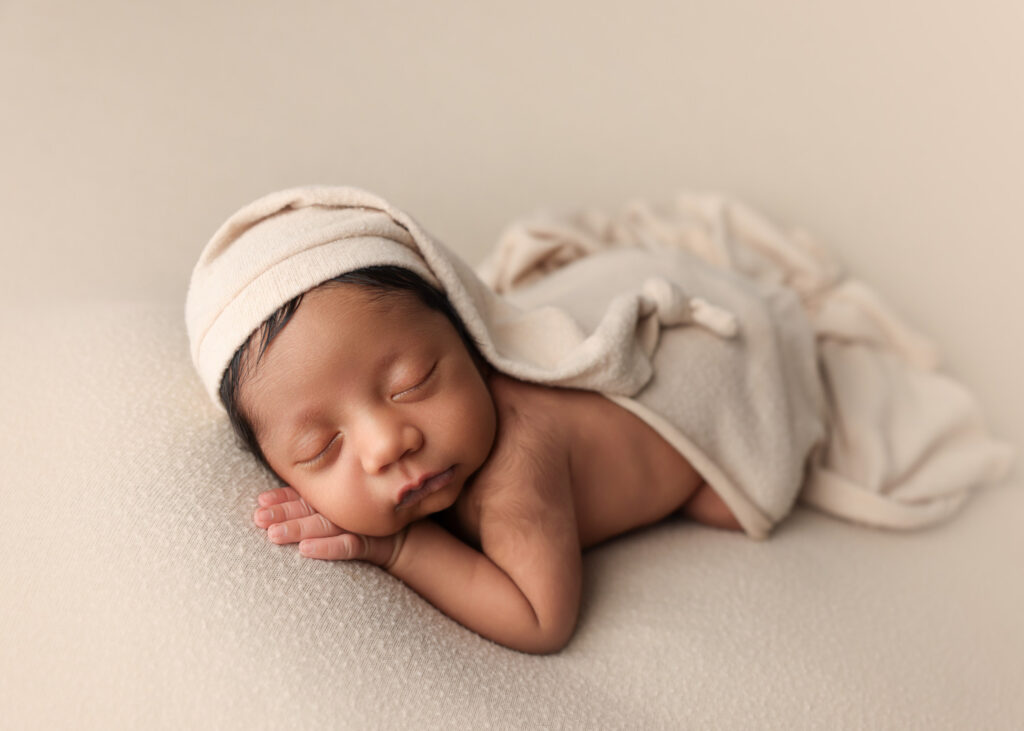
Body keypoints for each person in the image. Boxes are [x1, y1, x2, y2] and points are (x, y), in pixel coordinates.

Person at [186, 185, 1012, 655]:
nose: (385, 440)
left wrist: (398, 544)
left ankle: (704, 436)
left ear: (473, 333)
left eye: (413, 382)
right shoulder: (411, 432)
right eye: (321, 447)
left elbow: (539, 619)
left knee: (726, 497)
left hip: (716, 364)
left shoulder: (517, 466)